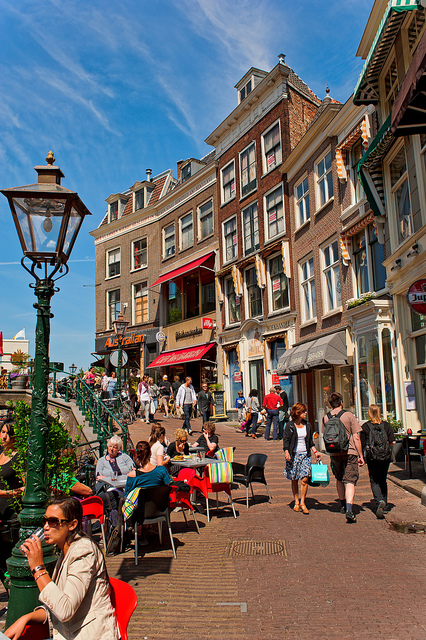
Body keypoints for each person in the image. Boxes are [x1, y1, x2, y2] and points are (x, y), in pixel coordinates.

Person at [5, 496, 119, 640]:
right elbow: (59, 601)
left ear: (72, 525)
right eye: (45, 521)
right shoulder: (65, 550)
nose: (45, 527)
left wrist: (38, 569)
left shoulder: (83, 551)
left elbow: (64, 610)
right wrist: (26, 618)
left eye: (53, 521)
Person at [322, 392, 364, 523]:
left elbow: (325, 436)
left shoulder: (326, 417)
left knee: (339, 478)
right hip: (349, 451)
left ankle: (341, 504)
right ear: (341, 402)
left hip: (334, 452)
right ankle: (349, 509)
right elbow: (356, 437)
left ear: (330, 404)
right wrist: (361, 455)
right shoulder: (349, 415)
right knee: (350, 480)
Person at [283, 403, 321, 514]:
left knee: (304, 479)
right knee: (294, 479)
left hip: (305, 455)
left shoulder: (307, 425)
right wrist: (286, 452)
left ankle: (303, 502)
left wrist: (315, 452)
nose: (306, 413)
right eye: (304, 411)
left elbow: (310, 442)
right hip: (293, 455)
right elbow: (286, 441)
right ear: (298, 413)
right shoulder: (289, 426)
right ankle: (296, 502)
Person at [0, 420, 24, 587]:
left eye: (8, 433)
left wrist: (5, 493)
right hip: (0, 513)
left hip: (13, 512)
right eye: (2, 432)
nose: (4, 436)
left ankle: (14, 588)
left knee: (11, 553)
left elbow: (26, 486)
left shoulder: (19, 456)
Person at [361, 404, 395, 519]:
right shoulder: (386, 426)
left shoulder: (366, 427)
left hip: (372, 457)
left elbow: (362, 443)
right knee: (383, 479)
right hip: (385, 457)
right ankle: (384, 504)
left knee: (374, 480)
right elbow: (393, 442)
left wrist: (361, 456)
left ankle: (379, 500)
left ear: (369, 413)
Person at [95, 436, 135, 526]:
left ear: (119, 449)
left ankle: (116, 528)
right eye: (110, 446)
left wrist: (106, 476)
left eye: (114, 447)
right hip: (110, 488)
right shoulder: (101, 461)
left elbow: (133, 470)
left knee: (116, 504)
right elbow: (98, 476)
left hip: (125, 487)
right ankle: (119, 526)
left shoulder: (125, 458)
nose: (111, 449)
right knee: (114, 500)